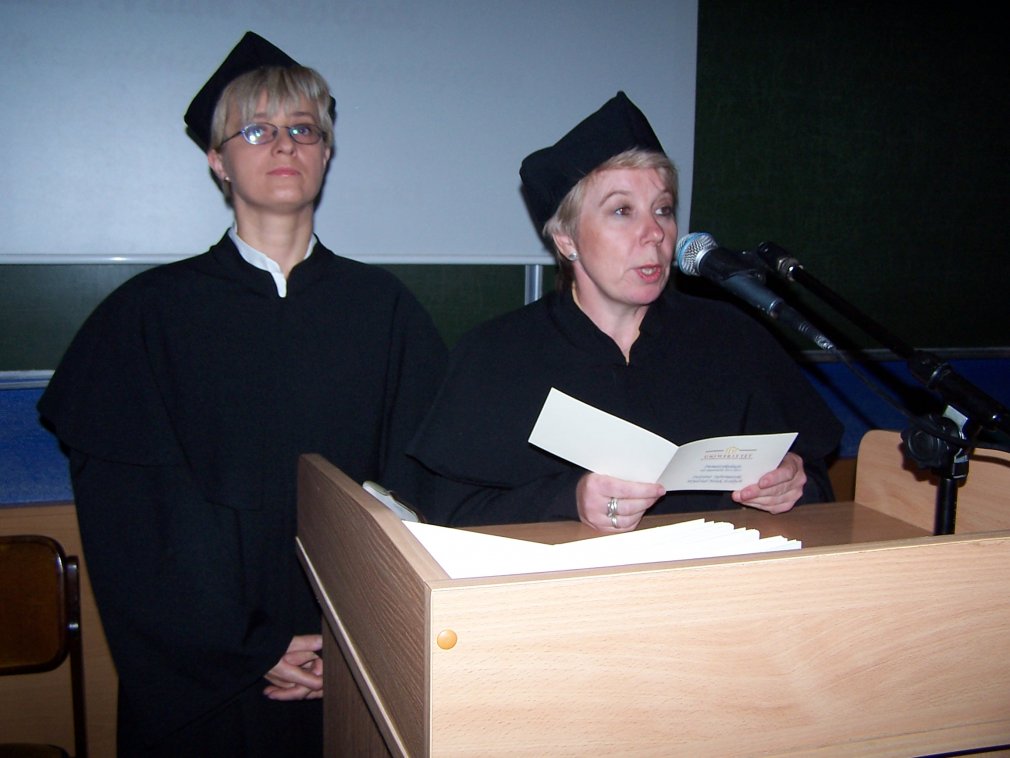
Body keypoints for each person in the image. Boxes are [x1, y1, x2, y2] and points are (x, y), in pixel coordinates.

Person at [38, 31, 446, 756]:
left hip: (350, 649)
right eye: (256, 130)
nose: (284, 144)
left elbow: (420, 494)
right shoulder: (146, 318)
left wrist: (359, 631)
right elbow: (130, 522)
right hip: (202, 673)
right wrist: (243, 647)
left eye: (303, 129)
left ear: (326, 153)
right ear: (217, 160)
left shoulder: (386, 312)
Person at [406, 91, 841, 530]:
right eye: (621, 211)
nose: (654, 232)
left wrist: (792, 484)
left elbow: (819, 488)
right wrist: (569, 500)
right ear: (566, 239)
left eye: (663, 210)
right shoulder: (496, 355)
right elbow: (447, 515)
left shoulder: (732, 338)